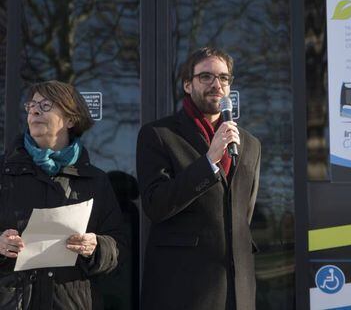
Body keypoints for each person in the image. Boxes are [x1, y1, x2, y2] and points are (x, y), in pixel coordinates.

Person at [137, 47, 261, 310]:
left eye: (224, 78)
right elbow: (155, 205)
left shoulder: (250, 144)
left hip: (238, 289)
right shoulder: (159, 135)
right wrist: (208, 162)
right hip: (182, 287)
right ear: (187, 84)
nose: (217, 84)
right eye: (206, 76)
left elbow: (243, 213)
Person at [0, 80, 125, 310]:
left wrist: (96, 247)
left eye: (46, 105)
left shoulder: (94, 180)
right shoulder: (5, 173)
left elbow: (118, 249)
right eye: (32, 105)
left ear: (70, 120)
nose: (35, 110)